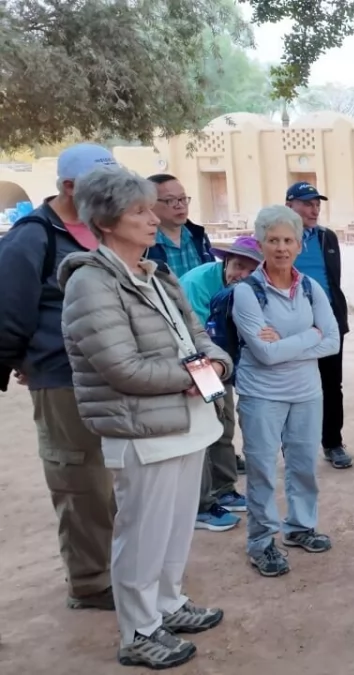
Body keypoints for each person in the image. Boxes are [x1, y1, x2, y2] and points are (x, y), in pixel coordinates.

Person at [58, 165, 231, 669]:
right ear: (107, 221)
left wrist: (214, 361)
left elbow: (198, 334)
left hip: (186, 420)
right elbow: (121, 367)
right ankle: (138, 629)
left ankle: (168, 603)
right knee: (141, 532)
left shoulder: (155, 275)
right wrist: (194, 372)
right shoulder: (91, 283)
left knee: (176, 526)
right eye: (138, 210)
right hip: (143, 427)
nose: (151, 218)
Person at [0, 143, 118, 612]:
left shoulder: (102, 229)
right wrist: (23, 362)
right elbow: (9, 310)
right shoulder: (34, 238)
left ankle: (119, 567)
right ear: (69, 188)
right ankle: (91, 582)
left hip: (112, 376)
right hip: (60, 377)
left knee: (114, 480)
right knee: (79, 480)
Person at [233, 205, 341, 578]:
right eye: (273, 240)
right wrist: (309, 335)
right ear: (260, 243)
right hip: (261, 394)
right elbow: (263, 354)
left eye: (288, 240)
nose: (281, 248)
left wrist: (290, 342)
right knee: (261, 469)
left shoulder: (310, 287)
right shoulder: (247, 293)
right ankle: (262, 542)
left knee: (302, 464)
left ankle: (300, 527)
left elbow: (332, 341)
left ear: (299, 245)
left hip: (306, 392)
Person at [179, 236, 264, 531]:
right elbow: (194, 338)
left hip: (221, 362)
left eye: (251, 271)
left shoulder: (252, 289)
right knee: (206, 428)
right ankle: (201, 505)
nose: (243, 275)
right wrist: (212, 372)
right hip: (195, 362)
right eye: (239, 266)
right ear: (226, 260)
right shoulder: (198, 283)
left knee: (224, 424)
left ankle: (225, 489)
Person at [285, 182, 353, 469]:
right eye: (306, 203)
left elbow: (332, 279)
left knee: (331, 385)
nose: (314, 209)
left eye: (317, 204)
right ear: (290, 205)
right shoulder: (280, 238)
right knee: (294, 386)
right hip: (292, 323)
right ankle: (294, 446)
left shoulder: (327, 238)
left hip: (329, 322)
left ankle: (333, 443)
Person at [145, 174, 214, 278]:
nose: (180, 205)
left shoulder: (199, 236)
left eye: (183, 198)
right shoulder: (144, 243)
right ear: (150, 204)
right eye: (170, 200)